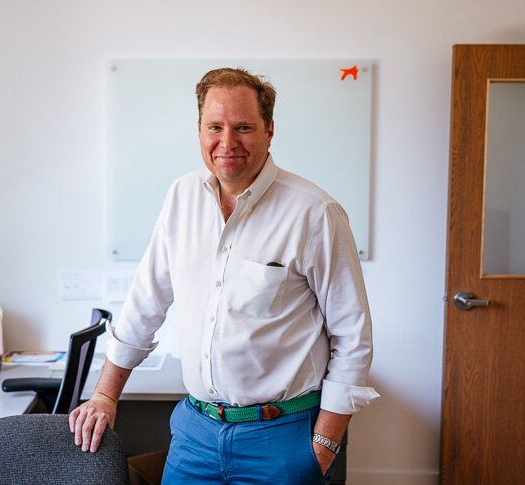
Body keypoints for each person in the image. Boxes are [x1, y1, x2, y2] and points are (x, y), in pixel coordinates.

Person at [69, 67, 378, 484]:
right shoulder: (181, 197)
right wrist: (105, 394)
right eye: (215, 126)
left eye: (244, 127)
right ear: (199, 130)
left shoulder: (314, 213)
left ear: (269, 131)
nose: (227, 142)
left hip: (281, 436)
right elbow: (146, 303)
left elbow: (352, 337)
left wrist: (323, 445)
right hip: (196, 433)